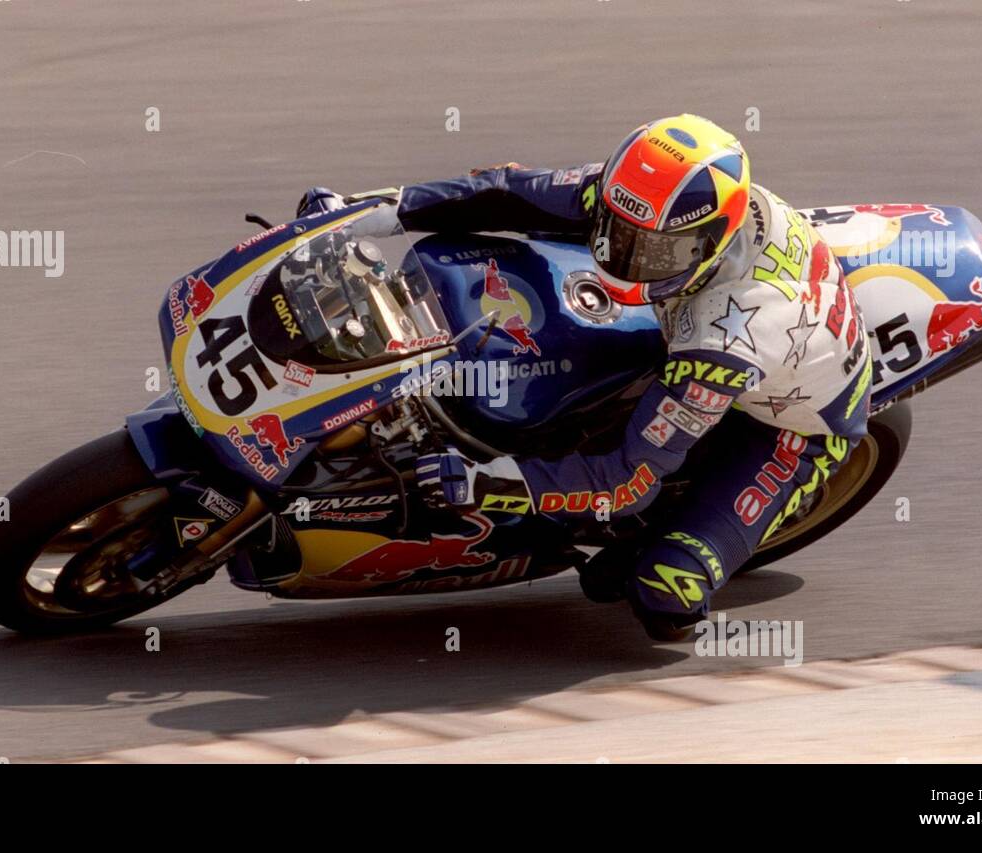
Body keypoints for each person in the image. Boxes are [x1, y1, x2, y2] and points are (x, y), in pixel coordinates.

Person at [295, 114, 871, 639]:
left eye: (651, 252)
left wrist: (488, 482)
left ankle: (677, 543)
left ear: (708, 240)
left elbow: (627, 481)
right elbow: (506, 191)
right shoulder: (650, 202)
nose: (620, 258)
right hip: (704, 320)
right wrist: (373, 211)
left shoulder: (729, 339)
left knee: (658, 590)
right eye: (616, 231)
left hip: (789, 426)